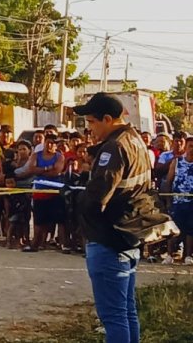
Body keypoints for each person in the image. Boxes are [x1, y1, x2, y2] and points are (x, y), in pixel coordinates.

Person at [77, 93, 176, 343]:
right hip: (128, 235)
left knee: (113, 316)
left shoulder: (114, 147)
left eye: (91, 122)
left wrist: (74, 198)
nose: (88, 129)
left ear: (107, 119)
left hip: (109, 237)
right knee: (126, 311)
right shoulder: (135, 140)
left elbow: (97, 198)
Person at [25, 134, 67, 253]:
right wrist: (48, 168)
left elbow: (57, 171)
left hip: (56, 192)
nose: (50, 145)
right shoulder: (36, 155)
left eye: (53, 143)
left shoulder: (59, 156)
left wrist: (41, 171)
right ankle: (35, 244)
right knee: (39, 220)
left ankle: (63, 244)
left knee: (60, 220)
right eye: (48, 142)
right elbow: (31, 169)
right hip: (40, 191)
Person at [165, 136, 193, 264]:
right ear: (186, 147)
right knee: (173, 229)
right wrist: (168, 200)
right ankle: (169, 255)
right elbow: (169, 181)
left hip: (191, 202)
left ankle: (187, 256)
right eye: (190, 146)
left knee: (190, 229)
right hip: (177, 201)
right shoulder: (177, 162)